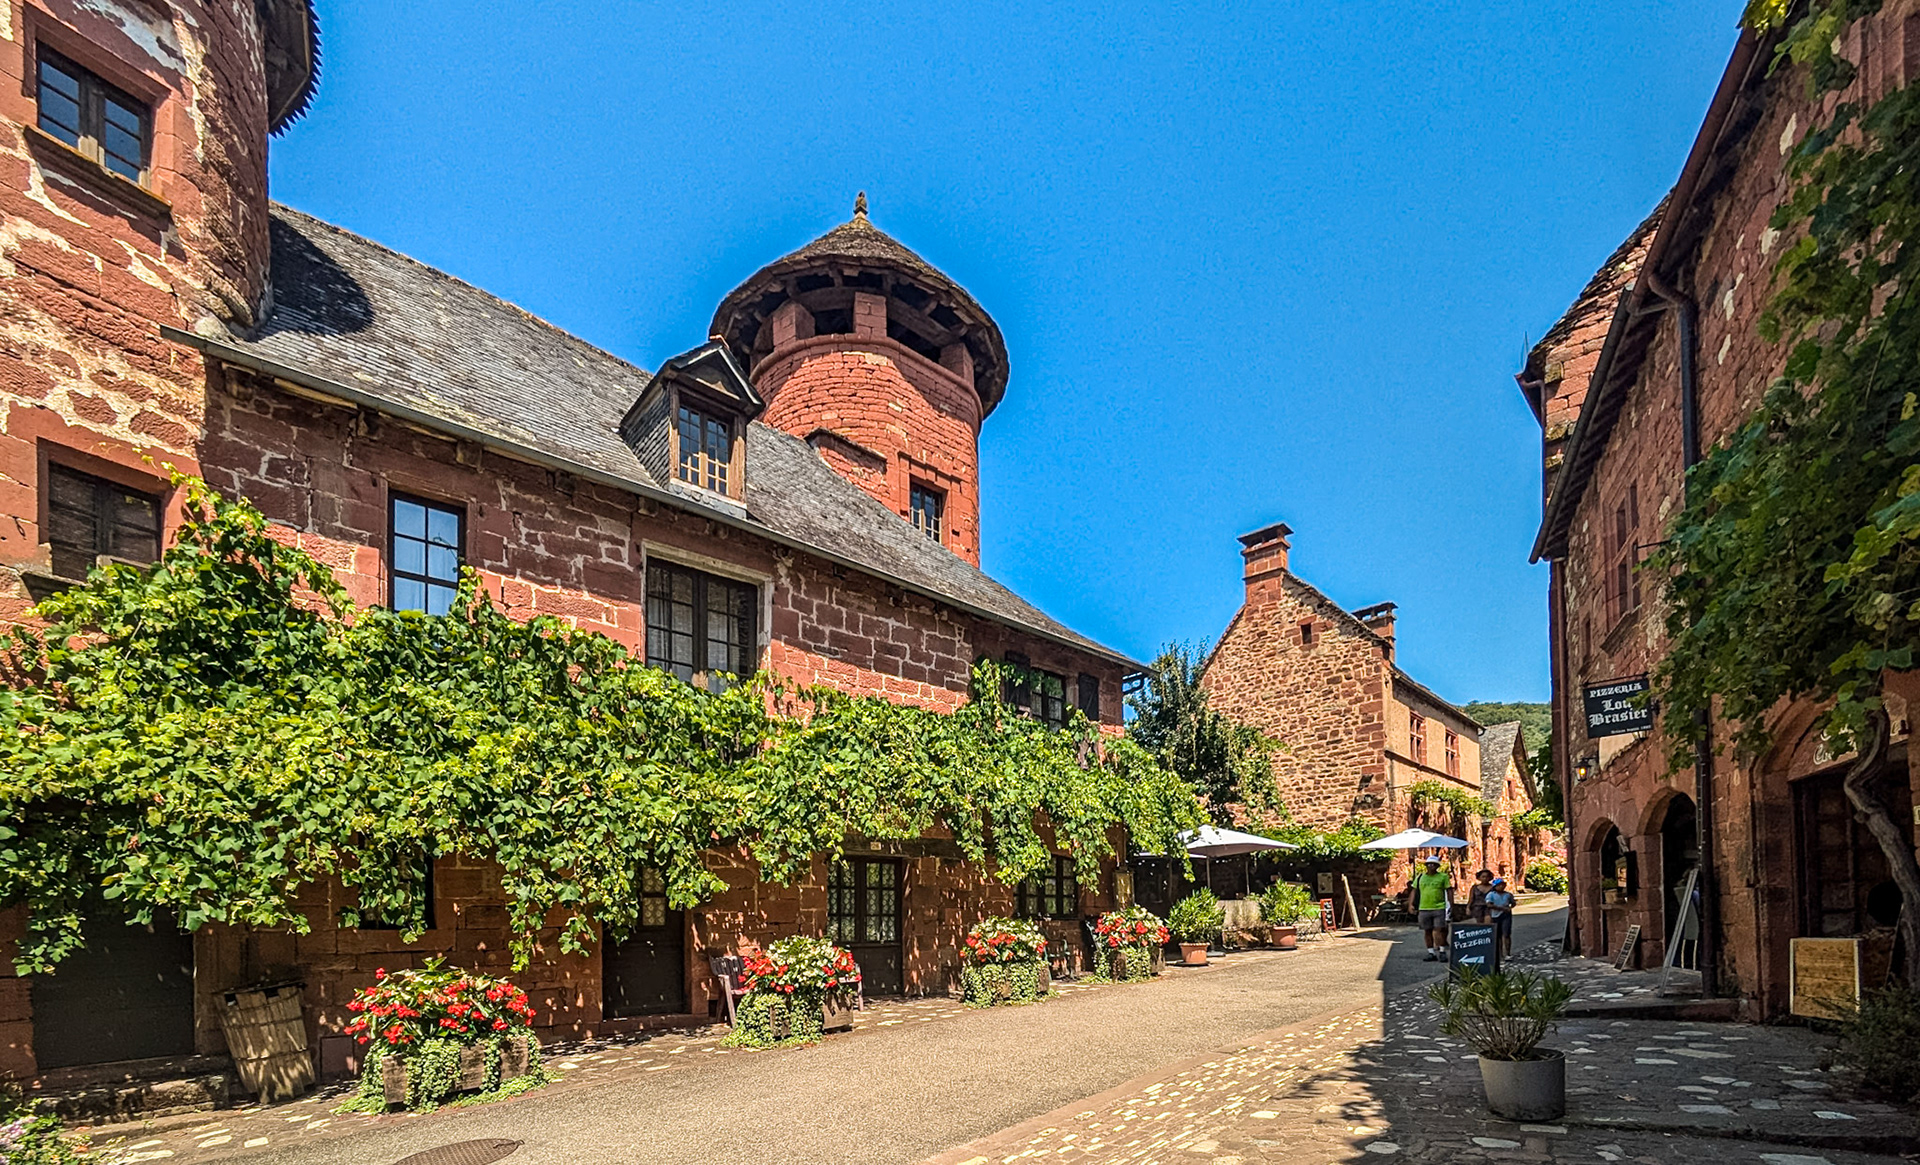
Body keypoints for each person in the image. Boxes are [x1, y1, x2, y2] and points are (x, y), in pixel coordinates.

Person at [1407, 855, 1452, 961]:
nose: (1431, 866)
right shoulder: (1420, 877)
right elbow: (1414, 891)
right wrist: (1411, 904)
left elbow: (1449, 890)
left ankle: (1441, 951)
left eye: (1433, 864)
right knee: (1427, 931)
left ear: (1437, 866)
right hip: (1424, 907)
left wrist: (1451, 904)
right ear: (1426, 865)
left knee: (1439, 929)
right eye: (1429, 864)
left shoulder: (1443, 877)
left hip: (1439, 907)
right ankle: (1431, 952)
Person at [1485, 876, 1516, 959]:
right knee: (1498, 935)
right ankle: (1500, 954)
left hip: (1505, 915)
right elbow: (1489, 905)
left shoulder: (1508, 895)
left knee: (1506, 934)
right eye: (1499, 885)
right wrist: (1502, 908)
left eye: (1502, 885)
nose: (1501, 887)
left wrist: (1510, 906)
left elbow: (1513, 903)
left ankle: (1508, 953)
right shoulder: (1491, 895)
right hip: (1495, 915)